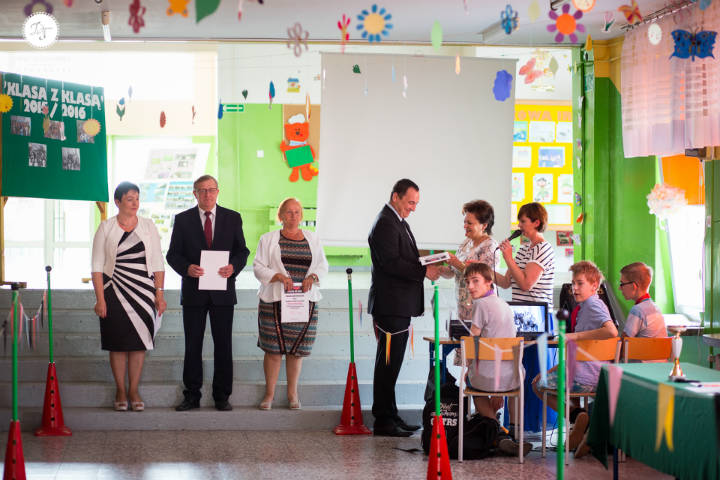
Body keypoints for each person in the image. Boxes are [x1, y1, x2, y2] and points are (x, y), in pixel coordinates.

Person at [166, 174, 249, 412]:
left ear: (218, 192)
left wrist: (233, 266)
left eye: (211, 189)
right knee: (193, 345)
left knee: (223, 345)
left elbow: (242, 251)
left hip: (223, 292)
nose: (207, 194)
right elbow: (173, 254)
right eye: (202, 190)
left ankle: (222, 396)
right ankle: (192, 395)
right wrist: (186, 268)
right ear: (195, 194)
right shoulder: (183, 220)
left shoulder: (233, 218)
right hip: (194, 292)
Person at [368, 178, 441, 437]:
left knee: (392, 364)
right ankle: (383, 420)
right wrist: (424, 271)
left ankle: (391, 415)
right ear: (395, 197)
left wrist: (429, 262)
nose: (413, 208)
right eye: (410, 202)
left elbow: (406, 258)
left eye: (416, 203)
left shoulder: (398, 221)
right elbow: (392, 264)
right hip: (391, 305)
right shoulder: (385, 223)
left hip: (398, 305)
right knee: (388, 364)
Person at [91, 182, 166, 412]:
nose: (135, 203)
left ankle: (133, 390)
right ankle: (120, 390)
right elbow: (97, 266)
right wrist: (100, 299)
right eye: (130, 199)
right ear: (118, 202)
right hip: (113, 290)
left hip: (143, 291)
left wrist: (159, 294)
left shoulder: (148, 225)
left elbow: (157, 261)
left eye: (137, 198)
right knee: (117, 344)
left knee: (138, 344)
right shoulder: (106, 227)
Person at [533, 260, 618, 451]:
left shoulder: (593, 306)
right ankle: (582, 429)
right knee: (549, 377)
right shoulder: (588, 306)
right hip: (593, 374)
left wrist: (575, 335)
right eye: (573, 284)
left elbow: (612, 331)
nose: (575, 288)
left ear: (595, 286)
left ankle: (578, 417)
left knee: (537, 385)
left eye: (580, 283)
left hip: (584, 377)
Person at [253, 198, 329, 410]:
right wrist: (277, 276)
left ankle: (292, 394)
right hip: (274, 301)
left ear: (301, 215)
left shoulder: (313, 238)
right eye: (288, 212)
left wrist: (312, 277)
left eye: (297, 212)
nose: (293, 216)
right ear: (280, 216)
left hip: (304, 301)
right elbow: (258, 267)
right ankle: (269, 395)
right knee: (273, 350)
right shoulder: (267, 239)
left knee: (297, 351)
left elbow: (323, 265)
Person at [462, 263, 531, 456]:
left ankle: (499, 434)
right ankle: (515, 433)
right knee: (514, 388)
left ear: (489, 282)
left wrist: (468, 367)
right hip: (512, 377)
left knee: (472, 384)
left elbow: (472, 342)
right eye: (468, 282)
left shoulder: (480, 305)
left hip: (487, 377)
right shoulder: (505, 305)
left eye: (475, 281)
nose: (470, 286)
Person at [439, 200, 500, 321]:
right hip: (462, 310)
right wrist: (438, 269)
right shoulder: (466, 243)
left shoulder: (490, 246)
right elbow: (452, 272)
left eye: (470, 223)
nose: (465, 226)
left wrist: (457, 263)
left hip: (482, 311)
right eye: (465, 222)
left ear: (484, 225)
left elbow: (482, 276)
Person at [494, 202, 555, 309]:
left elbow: (525, 285)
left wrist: (508, 258)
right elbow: (506, 282)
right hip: (521, 311)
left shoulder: (543, 248)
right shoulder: (523, 249)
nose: (519, 225)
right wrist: (483, 270)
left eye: (523, 221)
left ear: (536, 223)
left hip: (536, 313)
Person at [619, 262, 667, 338]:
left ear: (633, 286)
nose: (619, 288)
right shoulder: (655, 308)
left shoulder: (638, 310)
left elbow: (624, 340)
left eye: (622, 284)